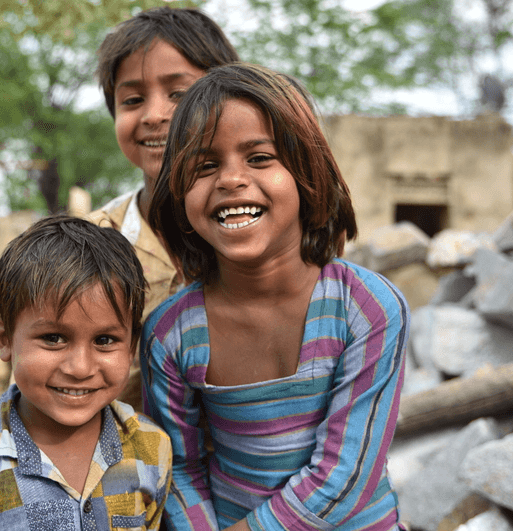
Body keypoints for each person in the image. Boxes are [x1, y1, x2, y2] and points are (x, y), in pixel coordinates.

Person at [143, 63, 410, 531]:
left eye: (260, 158)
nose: (231, 179)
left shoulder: (368, 308)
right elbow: (179, 469)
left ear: (308, 174)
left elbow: (346, 476)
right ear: (180, 196)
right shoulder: (170, 334)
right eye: (205, 166)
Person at [0, 215, 172, 531]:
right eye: (53, 338)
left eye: (105, 340)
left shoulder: (151, 448)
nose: (80, 368)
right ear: (5, 339)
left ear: (132, 345)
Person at [86, 6, 240, 410]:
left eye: (180, 94)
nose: (155, 115)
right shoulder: (88, 244)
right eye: (133, 99)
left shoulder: (255, 229)